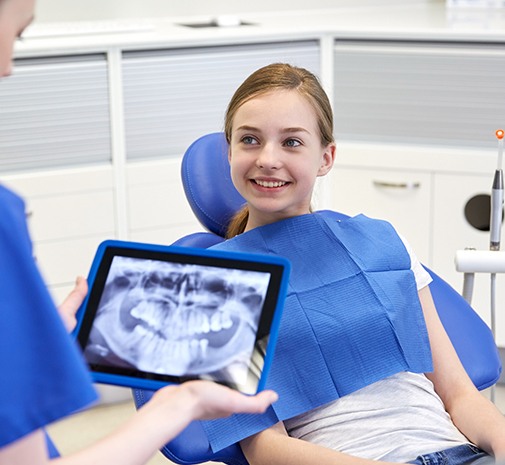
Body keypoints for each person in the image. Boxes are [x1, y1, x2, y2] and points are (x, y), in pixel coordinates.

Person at [0, 1, 278, 464]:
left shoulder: (382, 241)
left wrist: (30, 336)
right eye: (15, 34)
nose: (7, 67)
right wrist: (178, 404)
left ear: (327, 156)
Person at [199, 63, 505, 465]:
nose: (268, 159)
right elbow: (263, 448)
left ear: (325, 157)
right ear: (230, 151)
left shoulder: (381, 243)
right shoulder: (211, 283)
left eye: (291, 142)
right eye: (250, 140)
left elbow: (460, 395)